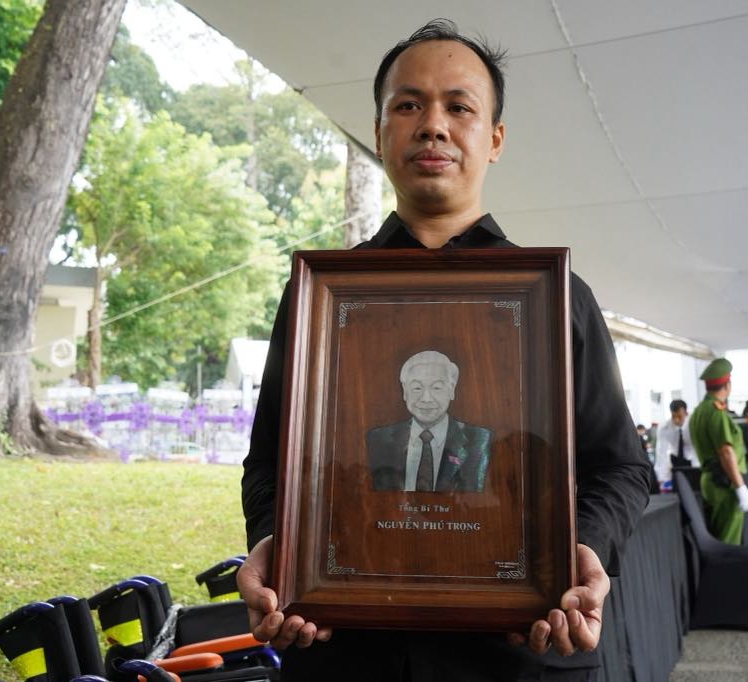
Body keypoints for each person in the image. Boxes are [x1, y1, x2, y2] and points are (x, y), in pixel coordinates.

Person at [236, 19, 653, 681]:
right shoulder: (321, 302)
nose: (432, 125)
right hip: (345, 654)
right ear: (378, 134)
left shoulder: (556, 301)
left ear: (493, 140)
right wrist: (274, 547)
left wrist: (581, 553)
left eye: (458, 107)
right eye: (408, 105)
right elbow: (269, 464)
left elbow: (622, 469)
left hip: (517, 655)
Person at [366, 350, 492, 492]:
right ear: (404, 392)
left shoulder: (480, 440)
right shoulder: (378, 439)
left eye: (437, 387)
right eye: (417, 388)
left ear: (452, 390)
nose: (426, 398)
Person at [688, 358, 748, 544]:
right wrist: (740, 486)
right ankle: (730, 574)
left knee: (720, 536)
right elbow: (726, 451)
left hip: (710, 480)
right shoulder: (716, 412)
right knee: (728, 541)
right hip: (724, 484)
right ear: (727, 384)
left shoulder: (698, 412)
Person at [654, 399, 698, 489]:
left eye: (679, 416)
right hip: (676, 462)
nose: (676, 420)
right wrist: (661, 477)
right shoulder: (664, 427)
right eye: (674, 416)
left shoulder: (694, 424)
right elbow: (661, 452)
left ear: (686, 413)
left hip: (693, 461)